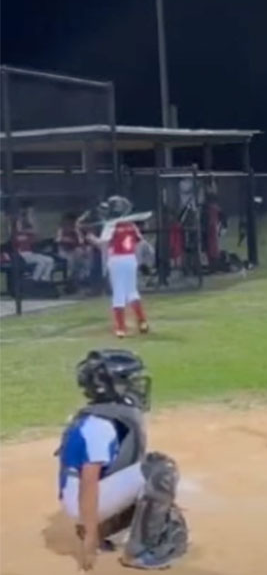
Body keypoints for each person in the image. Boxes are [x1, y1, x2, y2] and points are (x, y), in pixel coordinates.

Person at [56, 349, 189, 570]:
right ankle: (139, 552)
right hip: (81, 500)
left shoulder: (104, 415)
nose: (135, 386)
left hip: (83, 497)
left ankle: (107, 527)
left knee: (143, 469)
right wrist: (91, 538)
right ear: (109, 386)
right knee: (160, 469)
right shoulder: (99, 425)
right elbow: (89, 481)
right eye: (127, 380)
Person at [86, 196, 150, 338]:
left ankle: (121, 328)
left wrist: (90, 238)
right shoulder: (131, 225)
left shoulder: (111, 225)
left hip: (117, 260)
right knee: (132, 291)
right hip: (131, 259)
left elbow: (103, 244)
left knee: (119, 293)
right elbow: (139, 241)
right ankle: (142, 322)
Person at [57, 212, 89, 286]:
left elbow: (81, 242)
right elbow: (58, 240)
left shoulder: (77, 230)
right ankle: (70, 280)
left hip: (74, 250)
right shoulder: (61, 229)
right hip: (64, 251)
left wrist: (77, 231)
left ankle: (81, 278)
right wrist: (66, 240)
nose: (69, 224)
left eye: (71, 222)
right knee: (70, 260)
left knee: (82, 255)